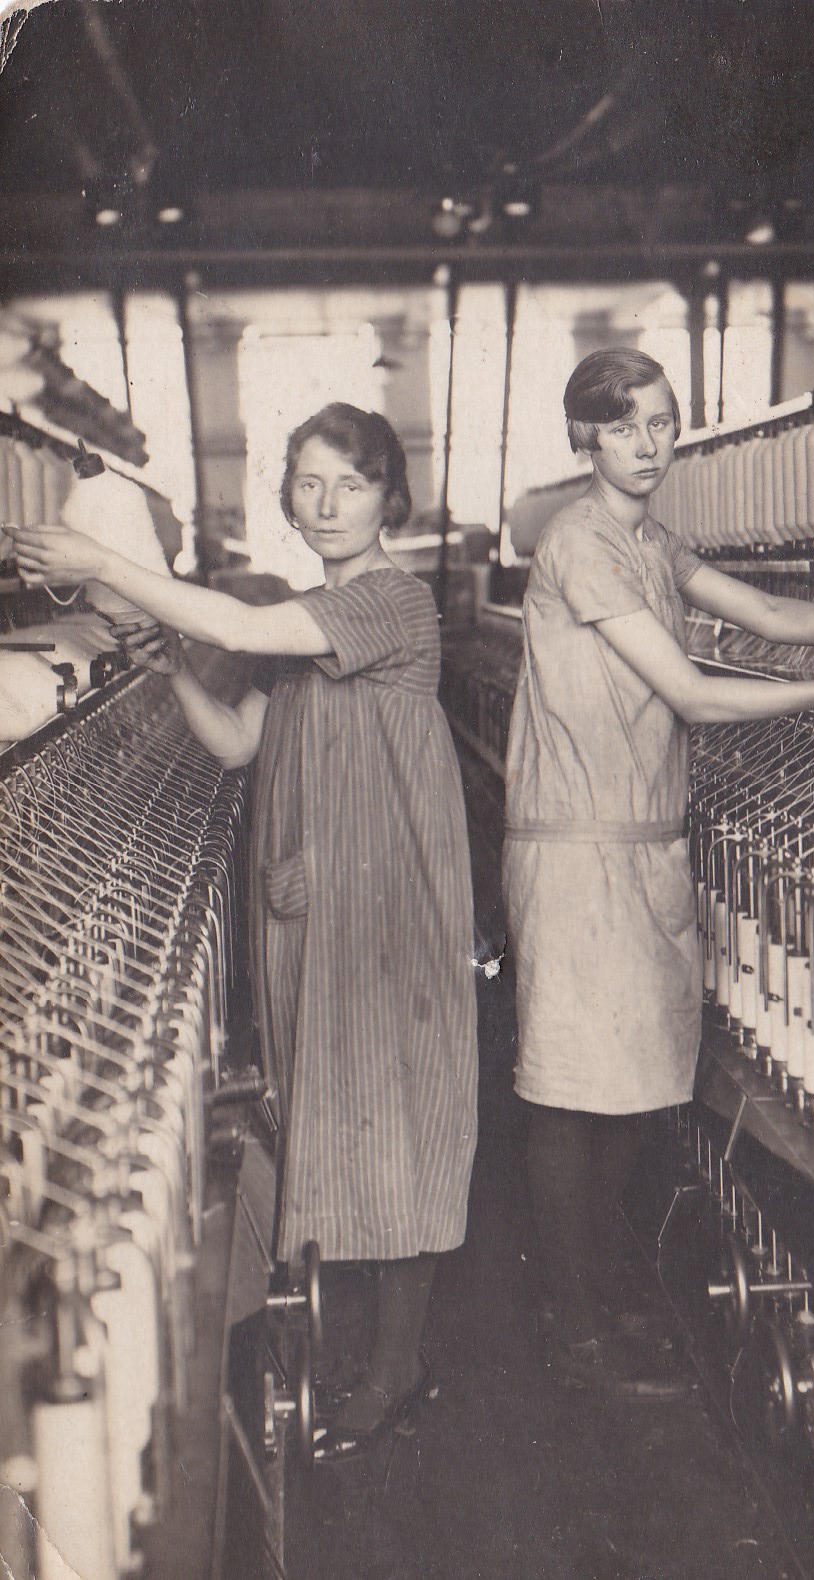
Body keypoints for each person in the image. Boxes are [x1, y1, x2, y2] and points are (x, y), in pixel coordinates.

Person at [14, 404, 479, 1452]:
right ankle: (376, 1357)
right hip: (321, 908)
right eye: (308, 484)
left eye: (350, 485)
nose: (327, 505)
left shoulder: (392, 602)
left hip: (389, 911)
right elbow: (232, 742)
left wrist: (103, 561)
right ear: (287, 500)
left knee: (402, 1121)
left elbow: (237, 626)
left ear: (389, 499)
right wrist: (165, 662)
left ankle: (396, 1371)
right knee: (343, 1114)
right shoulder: (307, 623)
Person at [502, 348, 814, 1398]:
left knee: (629, 1088)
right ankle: (573, 1329)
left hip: (641, 839)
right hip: (576, 849)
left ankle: (592, 1294)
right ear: (584, 440)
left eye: (662, 421)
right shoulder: (579, 544)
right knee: (573, 1097)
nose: (648, 444)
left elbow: (769, 616)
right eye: (624, 426)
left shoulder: (647, 539)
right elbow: (696, 695)